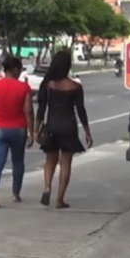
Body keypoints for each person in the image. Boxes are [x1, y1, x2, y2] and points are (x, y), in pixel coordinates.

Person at [35, 49, 94, 209]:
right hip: (69, 127)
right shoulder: (75, 86)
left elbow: (41, 109)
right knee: (65, 163)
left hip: (52, 126)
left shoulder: (48, 85)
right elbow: (81, 111)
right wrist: (88, 133)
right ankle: (59, 200)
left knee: (50, 160)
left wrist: (36, 130)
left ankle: (47, 187)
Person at [0, 53, 35, 208]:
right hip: (18, 129)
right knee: (18, 162)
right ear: (15, 69)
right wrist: (32, 132)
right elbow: (28, 111)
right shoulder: (24, 87)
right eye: (19, 69)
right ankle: (16, 193)